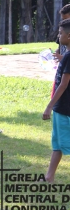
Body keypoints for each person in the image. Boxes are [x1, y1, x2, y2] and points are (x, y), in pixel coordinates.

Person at [43, 18, 70, 182]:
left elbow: (64, 84)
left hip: (63, 108)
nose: (58, 36)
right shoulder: (66, 56)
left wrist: (49, 106)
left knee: (65, 144)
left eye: (60, 33)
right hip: (61, 107)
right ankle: (49, 177)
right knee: (58, 145)